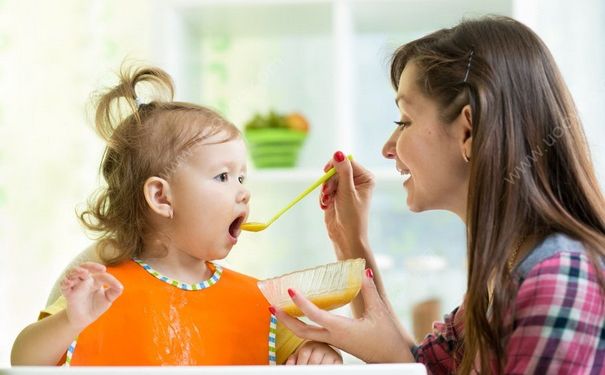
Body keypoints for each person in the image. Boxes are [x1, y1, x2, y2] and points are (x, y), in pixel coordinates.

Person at [272, 16, 605, 374]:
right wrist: (350, 241)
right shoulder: (501, 280)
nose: (388, 147)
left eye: (404, 121)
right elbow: (424, 367)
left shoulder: (559, 278)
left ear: (468, 131)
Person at [11, 65, 342, 366]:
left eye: (242, 177)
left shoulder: (257, 301)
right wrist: (71, 320)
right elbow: (25, 361)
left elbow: (310, 353)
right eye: (223, 177)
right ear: (160, 197)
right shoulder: (102, 292)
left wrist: (322, 354)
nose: (243, 191)